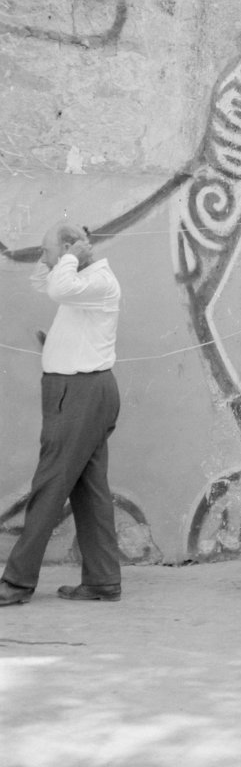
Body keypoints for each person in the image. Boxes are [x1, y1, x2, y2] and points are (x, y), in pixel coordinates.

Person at [0, 223, 123, 607]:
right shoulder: (80, 279)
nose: (44, 257)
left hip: (81, 394)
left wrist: (70, 253)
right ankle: (102, 582)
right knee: (90, 490)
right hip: (78, 391)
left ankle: (17, 583)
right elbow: (44, 281)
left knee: (50, 484)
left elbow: (56, 286)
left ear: (71, 249)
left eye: (47, 249)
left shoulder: (97, 280)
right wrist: (62, 254)